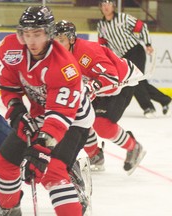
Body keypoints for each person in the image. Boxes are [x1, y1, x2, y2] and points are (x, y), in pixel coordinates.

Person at [0, 6, 96, 216]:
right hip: (40, 114)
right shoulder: (11, 48)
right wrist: (16, 110)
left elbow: (61, 113)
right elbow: (9, 85)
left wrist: (41, 149)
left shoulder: (65, 66)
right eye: (27, 34)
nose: (32, 41)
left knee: (52, 172)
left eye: (38, 34)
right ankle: (10, 210)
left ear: (49, 33)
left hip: (73, 118)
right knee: (3, 162)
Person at [54, 20, 146, 175]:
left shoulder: (86, 52)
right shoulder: (60, 55)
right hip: (98, 84)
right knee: (80, 116)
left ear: (71, 39)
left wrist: (91, 86)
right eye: (54, 41)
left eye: (61, 40)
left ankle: (133, 147)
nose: (57, 45)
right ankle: (95, 155)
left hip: (120, 83)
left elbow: (112, 77)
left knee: (102, 125)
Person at [97, 0, 171, 118]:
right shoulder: (101, 25)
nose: (106, 7)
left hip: (135, 51)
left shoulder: (123, 18)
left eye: (109, 4)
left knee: (134, 80)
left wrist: (148, 44)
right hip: (123, 56)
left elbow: (142, 27)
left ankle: (148, 107)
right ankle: (164, 100)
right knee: (139, 81)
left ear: (113, 6)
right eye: (103, 5)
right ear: (100, 7)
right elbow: (103, 43)